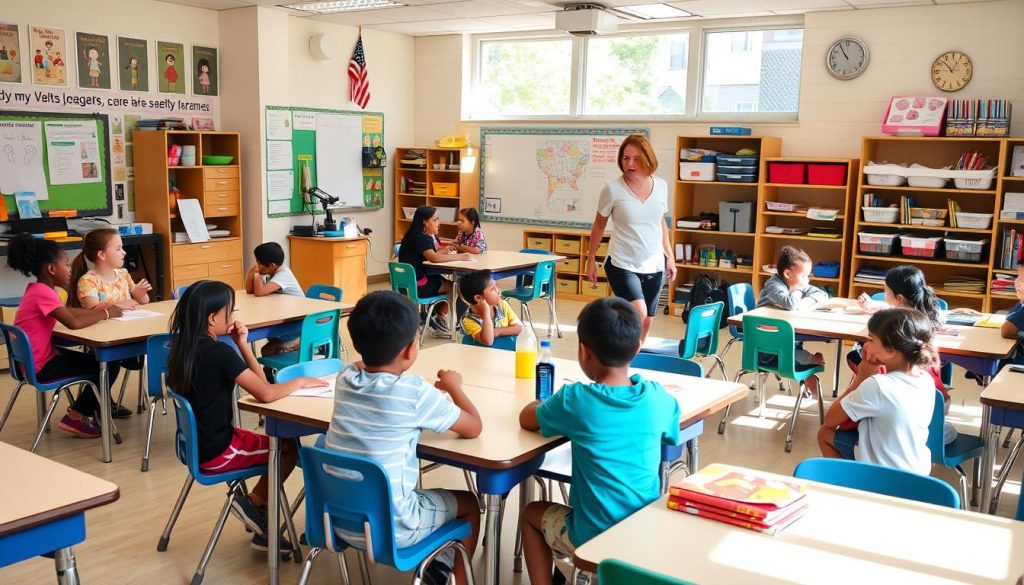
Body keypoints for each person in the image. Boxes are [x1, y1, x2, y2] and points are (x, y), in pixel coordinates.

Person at [518, 297, 681, 585]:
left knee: (531, 514)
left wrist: (538, 403)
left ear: (583, 351)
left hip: (592, 537)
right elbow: (671, 438)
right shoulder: (659, 399)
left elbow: (527, 419)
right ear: (637, 348)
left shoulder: (577, 400)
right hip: (643, 530)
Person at [326, 291, 482, 585]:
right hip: (394, 528)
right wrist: (455, 387)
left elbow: (361, 366)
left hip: (337, 520)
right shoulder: (414, 393)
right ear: (411, 349)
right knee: (470, 504)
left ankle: (438, 569)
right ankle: (450, 575)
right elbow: (473, 427)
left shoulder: (344, 379)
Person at [166, 280, 327, 551]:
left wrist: (242, 344)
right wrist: (299, 382)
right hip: (218, 452)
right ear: (213, 318)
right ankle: (254, 503)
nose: (233, 317)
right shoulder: (218, 353)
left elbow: (262, 385)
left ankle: (260, 524)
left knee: (277, 442)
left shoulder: (181, 348)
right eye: (230, 312)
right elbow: (266, 393)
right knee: (286, 447)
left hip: (199, 444)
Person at [6, 234, 124, 439]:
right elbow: (73, 323)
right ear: (51, 269)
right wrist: (105, 313)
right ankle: (77, 416)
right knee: (109, 364)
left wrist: (97, 310)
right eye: (66, 264)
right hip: (42, 368)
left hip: (31, 363)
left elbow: (68, 312)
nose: (70, 269)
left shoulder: (38, 290)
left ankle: (85, 411)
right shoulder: (44, 293)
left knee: (98, 361)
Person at [818, 308, 938, 475]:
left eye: (871, 339)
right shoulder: (926, 379)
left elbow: (830, 420)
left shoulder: (877, 385)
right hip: (917, 472)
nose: (866, 345)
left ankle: (850, 484)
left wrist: (862, 376)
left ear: (890, 350)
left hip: (883, 475)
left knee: (824, 433)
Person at [851, 265, 955, 444]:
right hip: (936, 401)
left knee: (855, 358)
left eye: (885, 289)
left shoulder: (894, 333)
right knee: (946, 432)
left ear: (899, 298)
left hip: (905, 402)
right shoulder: (923, 319)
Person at [586, 134, 674, 343]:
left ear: (647, 158)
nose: (630, 164)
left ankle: (633, 357)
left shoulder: (661, 186)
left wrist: (670, 257)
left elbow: (660, 223)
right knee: (639, 312)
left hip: (654, 264)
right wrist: (591, 259)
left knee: (648, 319)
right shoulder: (612, 188)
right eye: (626, 158)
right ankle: (616, 350)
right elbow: (599, 225)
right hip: (622, 263)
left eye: (636, 158)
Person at [757, 246, 827, 395]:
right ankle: (811, 363)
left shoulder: (797, 283)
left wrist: (804, 301)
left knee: (796, 349)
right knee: (801, 356)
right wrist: (798, 291)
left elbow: (822, 294)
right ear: (787, 273)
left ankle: (809, 366)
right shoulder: (774, 286)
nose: (807, 280)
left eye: (809, 276)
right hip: (766, 346)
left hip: (783, 339)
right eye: (804, 276)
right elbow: (790, 304)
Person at [398, 206, 472, 336]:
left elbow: (429, 254)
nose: (439, 222)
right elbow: (434, 258)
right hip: (418, 285)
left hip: (406, 284)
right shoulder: (422, 238)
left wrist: (442, 252)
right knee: (458, 287)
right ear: (425, 222)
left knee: (448, 283)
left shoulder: (412, 235)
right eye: (435, 219)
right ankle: (438, 317)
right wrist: (461, 256)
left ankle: (432, 315)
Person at [245, 242, 303, 359]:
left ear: (271, 265)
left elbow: (260, 292)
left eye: (259, 263)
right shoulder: (273, 272)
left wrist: (257, 275)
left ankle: (298, 341)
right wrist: (252, 273)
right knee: (267, 349)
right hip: (282, 318)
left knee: (267, 350)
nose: (257, 265)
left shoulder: (284, 274)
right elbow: (250, 290)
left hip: (296, 323)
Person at [69, 228, 152, 311]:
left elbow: (145, 301)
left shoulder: (123, 274)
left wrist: (140, 295)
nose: (124, 252)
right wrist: (118, 305)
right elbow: (93, 311)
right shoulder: (88, 281)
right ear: (102, 255)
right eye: (118, 249)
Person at [459, 269, 523, 346]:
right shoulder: (469, 319)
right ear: (479, 298)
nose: (499, 290)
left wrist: (497, 331)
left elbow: (519, 328)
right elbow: (488, 341)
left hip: (505, 352)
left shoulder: (502, 305)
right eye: (493, 289)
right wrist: (486, 313)